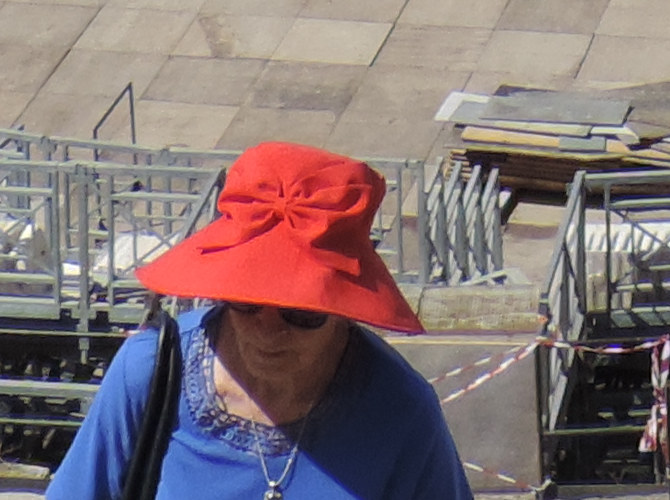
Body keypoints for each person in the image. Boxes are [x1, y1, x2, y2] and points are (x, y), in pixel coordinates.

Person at [47, 141, 463, 500]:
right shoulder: (149, 374)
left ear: (342, 309)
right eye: (245, 302)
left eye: (300, 313)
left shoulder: (400, 411)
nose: (268, 329)